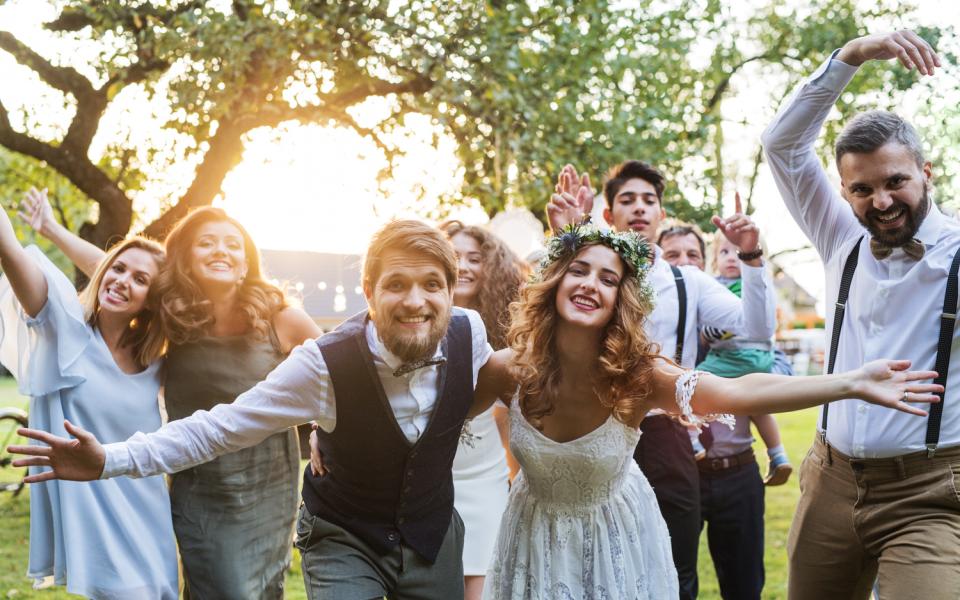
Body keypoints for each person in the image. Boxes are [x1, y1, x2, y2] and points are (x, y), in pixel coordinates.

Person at [7, 221, 942, 598]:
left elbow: (728, 390)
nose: (416, 303)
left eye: (431, 287)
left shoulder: (510, 354)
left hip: (534, 538)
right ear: (368, 293)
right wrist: (112, 458)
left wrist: (848, 382)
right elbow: (213, 426)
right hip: (353, 534)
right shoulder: (346, 364)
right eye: (395, 288)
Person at [464, 223, 939, 598]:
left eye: (608, 279)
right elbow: (442, 422)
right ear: (553, 280)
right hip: (531, 536)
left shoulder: (640, 376)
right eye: (579, 270)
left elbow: (741, 392)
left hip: (614, 540)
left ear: (620, 302)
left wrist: (851, 382)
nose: (591, 284)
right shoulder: (509, 370)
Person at [21, 195, 320, 598]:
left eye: (233, 244)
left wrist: (320, 427)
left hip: (267, 486)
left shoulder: (282, 320)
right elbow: (108, 269)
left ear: (247, 262)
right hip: (200, 486)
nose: (221, 250)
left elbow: (336, 373)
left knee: (265, 588)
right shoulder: (176, 319)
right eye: (207, 242)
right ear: (186, 259)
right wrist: (52, 230)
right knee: (222, 587)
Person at [761, 29, 960, 599]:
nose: (882, 201)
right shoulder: (840, 238)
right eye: (862, 188)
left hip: (931, 491)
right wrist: (850, 57)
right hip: (831, 478)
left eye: (896, 181)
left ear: (926, 172)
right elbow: (782, 145)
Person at [547, 161, 778, 599]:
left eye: (649, 201)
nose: (639, 208)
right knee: (591, 567)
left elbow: (758, 328)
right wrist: (566, 240)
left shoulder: (687, 281)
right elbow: (545, 322)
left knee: (673, 570)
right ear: (608, 213)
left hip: (666, 436)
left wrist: (750, 254)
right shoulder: (586, 275)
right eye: (627, 200)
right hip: (591, 432)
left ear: (660, 214)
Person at [0, 187, 177, 598]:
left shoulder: (158, 360)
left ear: (152, 300)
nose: (121, 281)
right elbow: (10, 249)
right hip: (95, 518)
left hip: (148, 515)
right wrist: (41, 230)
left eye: (140, 279)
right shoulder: (61, 326)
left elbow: (126, 279)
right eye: (117, 268)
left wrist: (51, 227)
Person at [440, 220, 522, 600]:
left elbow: (511, 415)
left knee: (483, 587)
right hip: (430, 478)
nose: (465, 266)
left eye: (475, 258)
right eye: (454, 256)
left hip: (485, 474)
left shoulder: (508, 330)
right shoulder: (410, 321)